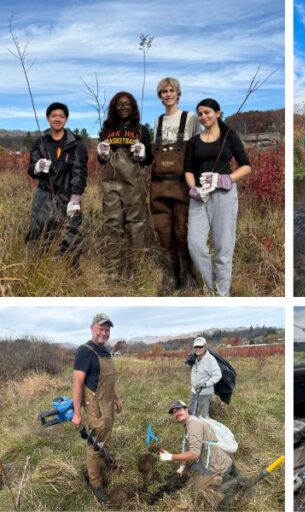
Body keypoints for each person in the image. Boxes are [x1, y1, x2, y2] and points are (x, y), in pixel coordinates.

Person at [184, 98, 251, 296]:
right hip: (199, 197)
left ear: (218, 113)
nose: (203, 117)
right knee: (194, 244)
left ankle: (222, 293)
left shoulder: (229, 137)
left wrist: (224, 179)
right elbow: (188, 170)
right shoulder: (194, 142)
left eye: (207, 112)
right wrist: (193, 188)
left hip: (224, 196)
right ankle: (210, 283)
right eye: (200, 114)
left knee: (224, 247)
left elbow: (246, 166)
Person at [151, 77, 202, 295]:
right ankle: (171, 277)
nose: (168, 94)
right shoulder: (158, 121)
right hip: (160, 187)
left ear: (178, 93)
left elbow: (198, 149)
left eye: (171, 90)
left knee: (183, 232)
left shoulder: (189, 118)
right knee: (164, 232)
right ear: (160, 95)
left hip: (183, 186)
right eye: (164, 91)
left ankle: (189, 277)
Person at [97, 92, 154, 278]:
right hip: (111, 183)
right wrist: (102, 155)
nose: (123, 107)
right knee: (112, 224)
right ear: (114, 107)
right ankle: (114, 270)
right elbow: (102, 159)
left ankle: (137, 271)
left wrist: (142, 154)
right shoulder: (106, 129)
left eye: (127, 104)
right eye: (119, 104)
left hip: (134, 183)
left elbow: (149, 160)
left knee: (135, 224)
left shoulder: (141, 130)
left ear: (133, 107)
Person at [26, 102, 88, 265]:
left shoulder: (76, 145)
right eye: (54, 116)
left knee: (70, 232)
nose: (57, 119)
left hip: (68, 195)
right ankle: (35, 267)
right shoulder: (40, 143)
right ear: (48, 118)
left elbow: (79, 172)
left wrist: (75, 199)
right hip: (44, 194)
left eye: (61, 116)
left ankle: (71, 269)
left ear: (66, 119)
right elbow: (31, 169)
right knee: (38, 231)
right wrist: (37, 167)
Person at [71, 313, 124, 505]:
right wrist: (77, 413)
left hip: (107, 402)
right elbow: (77, 383)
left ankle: (105, 456)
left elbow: (109, 379)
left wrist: (117, 397)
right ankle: (96, 484)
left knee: (104, 434)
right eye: (101, 328)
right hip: (95, 405)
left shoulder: (105, 351)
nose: (104, 332)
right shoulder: (85, 351)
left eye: (107, 329)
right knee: (94, 442)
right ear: (91, 327)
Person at [159, 400, 234, 508]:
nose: (176, 414)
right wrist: (181, 467)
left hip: (217, 465)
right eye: (173, 412)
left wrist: (170, 457)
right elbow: (187, 448)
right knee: (190, 470)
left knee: (195, 492)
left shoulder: (194, 424)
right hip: (209, 458)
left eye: (178, 409)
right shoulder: (188, 424)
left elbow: (194, 454)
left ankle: (220, 480)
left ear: (186, 409)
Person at [188, 337, 222, 418]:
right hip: (194, 391)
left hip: (204, 393)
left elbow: (218, 375)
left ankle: (205, 429)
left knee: (203, 416)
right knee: (190, 412)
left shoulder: (210, 359)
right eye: (196, 347)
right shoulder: (194, 358)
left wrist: (206, 384)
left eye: (200, 347)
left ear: (205, 346)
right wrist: (189, 363)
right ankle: (192, 428)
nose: (198, 349)